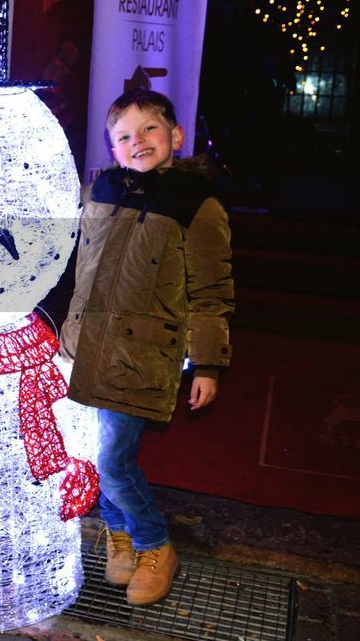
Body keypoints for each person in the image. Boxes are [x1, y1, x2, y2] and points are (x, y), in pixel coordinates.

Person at [60, 88, 234, 606]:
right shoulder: (102, 191)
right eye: (124, 136)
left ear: (175, 136)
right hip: (83, 345)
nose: (138, 142)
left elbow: (212, 291)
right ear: (112, 149)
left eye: (150, 130)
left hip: (141, 357)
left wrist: (207, 363)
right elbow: (75, 266)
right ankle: (119, 535)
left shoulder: (196, 205)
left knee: (113, 462)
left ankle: (156, 544)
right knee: (93, 455)